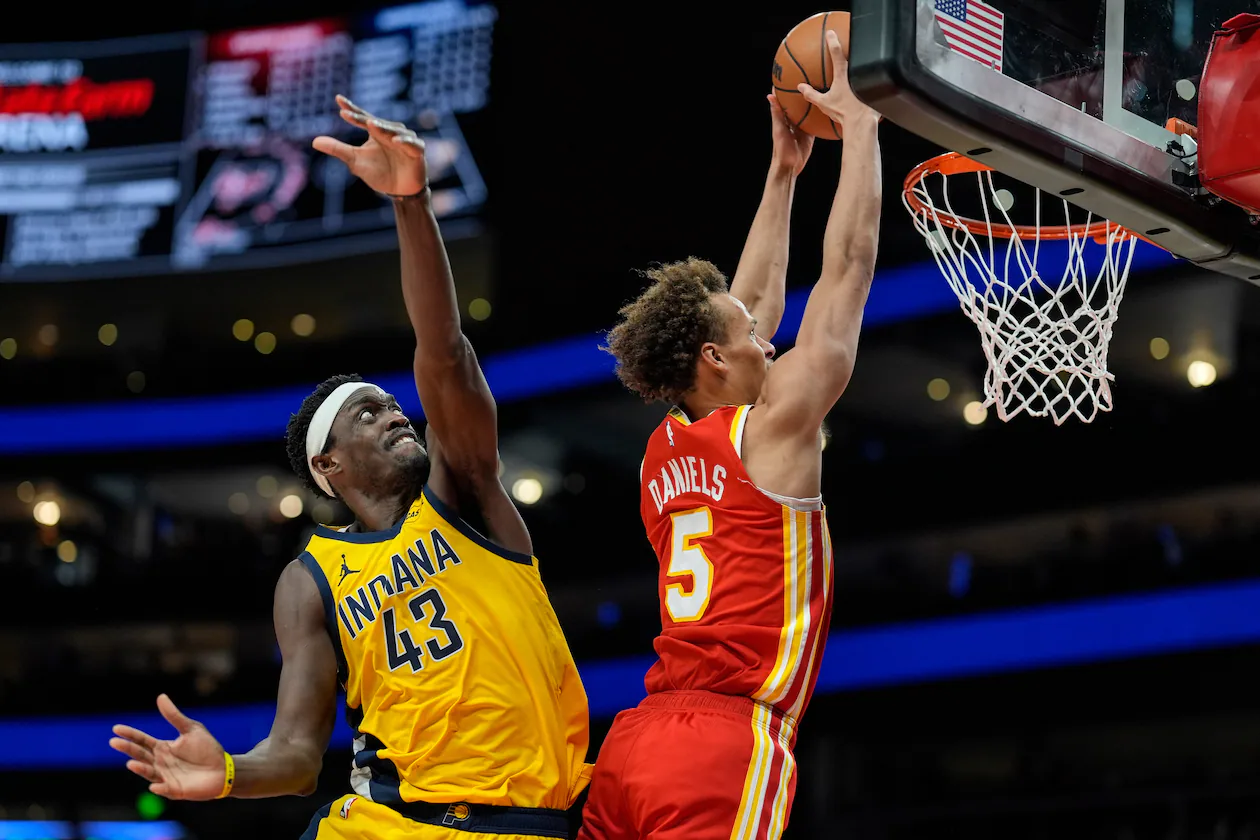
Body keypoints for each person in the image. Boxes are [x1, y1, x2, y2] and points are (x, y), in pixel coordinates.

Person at [110, 94, 592, 840]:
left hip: (524, 823)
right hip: (385, 823)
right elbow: (297, 755)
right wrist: (230, 772)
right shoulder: (311, 578)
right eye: (368, 413)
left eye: (392, 404)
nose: (395, 413)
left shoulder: (462, 492)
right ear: (327, 463)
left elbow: (444, 351)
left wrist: (411, 202)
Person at [578, 31, 882, 840]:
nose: (768, 342)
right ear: (713, 359)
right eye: (753, 338)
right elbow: (849, 268)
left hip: (634, 745)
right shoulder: (775, 425)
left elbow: (745, 309)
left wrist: (783, 175)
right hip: (725, 742)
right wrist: (862, 126)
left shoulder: (663, 449)